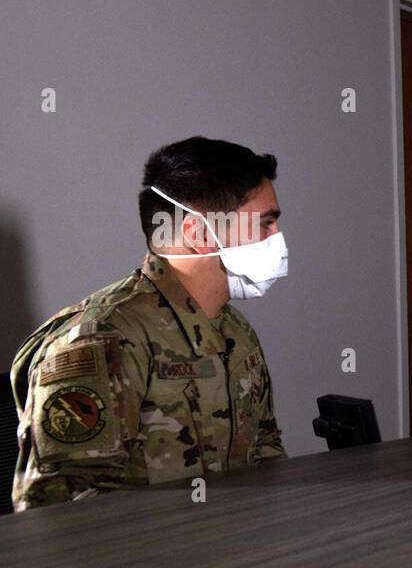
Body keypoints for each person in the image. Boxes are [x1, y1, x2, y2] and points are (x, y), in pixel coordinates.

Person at [10, 136, 288, 511]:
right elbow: (59, 508)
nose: (277, 239)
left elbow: (266, 452)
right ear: (201, 234)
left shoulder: (234, 331)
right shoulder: (104, 337)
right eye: (265, 224)